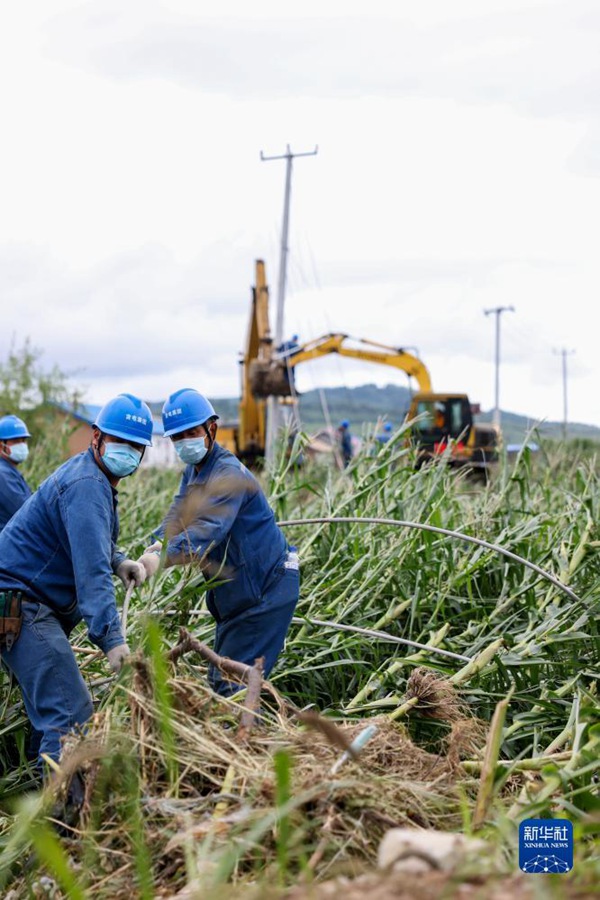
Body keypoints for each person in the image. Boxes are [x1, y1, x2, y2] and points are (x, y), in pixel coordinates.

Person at [0, 393, 153, 771]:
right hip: (22, 606)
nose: (128, 452)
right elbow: (90, 575)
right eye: (121, 442)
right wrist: (113, 641)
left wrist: (118, 561)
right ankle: (60, 819)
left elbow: (86, 544)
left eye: (137, 446)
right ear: (97, 437)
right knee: (72, 712)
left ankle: (40, 800)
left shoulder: (91, 477)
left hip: (20, 603)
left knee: (50, 713)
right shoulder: (87, 484)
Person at [136, 388, 300, 695]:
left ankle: (250, 742)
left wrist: (163, 559)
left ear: (212, 428)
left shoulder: (227, 474)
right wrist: (155, 546)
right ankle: (247, 736)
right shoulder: (196, 470)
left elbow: (206, 529)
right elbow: (179, 514)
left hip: (266, 591)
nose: (184, 441)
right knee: (222, 680)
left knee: (232, 689)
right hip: (239, 595)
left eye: (191, 432)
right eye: (177, 437)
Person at [0, 414, 33, 533]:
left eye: (23, 440)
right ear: (1, 445)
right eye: (15, 441)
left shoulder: (10, 471)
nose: (22, 445)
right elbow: (29, 513)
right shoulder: (3, 475)